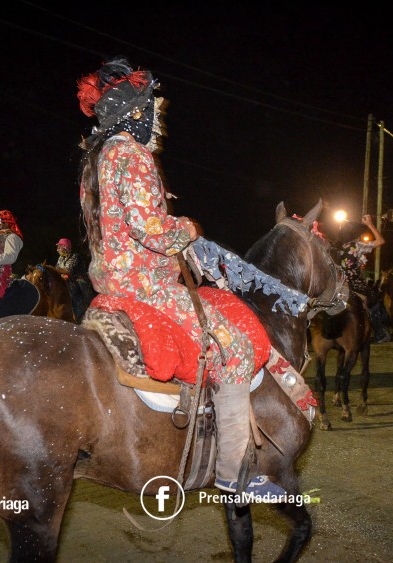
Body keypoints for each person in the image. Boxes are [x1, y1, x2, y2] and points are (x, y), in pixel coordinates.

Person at [76, 56, 284, 499]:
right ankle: (234, 472)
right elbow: (149, 230)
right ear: (135, 112)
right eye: (152, 109)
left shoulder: (97, 159)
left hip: (110, 281)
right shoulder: (131, 155)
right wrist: (187, 228)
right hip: (146, 284)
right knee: (237, 347)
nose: (156, 119)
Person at [334, 214, 387, 342]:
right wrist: (370, 224)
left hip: (338, 284)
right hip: (355, 284)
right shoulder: (357, 246)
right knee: (374, 300)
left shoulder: (337, 248)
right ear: (355, 235)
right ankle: (379, 333)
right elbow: (381, 241)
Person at [55, 237, 92, 320]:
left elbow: (68, 271)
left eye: (59, 247)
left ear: (66, 247)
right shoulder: (60, 258)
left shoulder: (75, 257)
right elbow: (58, 270)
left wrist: (55, 270)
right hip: (66, 279)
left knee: (76, 289)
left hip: (78, 279)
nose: (58, 250)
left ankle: (82, 310)